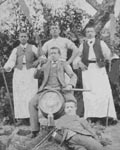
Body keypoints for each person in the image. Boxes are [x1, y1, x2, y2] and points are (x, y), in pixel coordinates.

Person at [29, 46, 77, 138]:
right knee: (32, 103)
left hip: (60, 89)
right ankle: (34, 130)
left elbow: (73, 76)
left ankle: (73, 127)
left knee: (72, 100)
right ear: (48, 55)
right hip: (46, 89)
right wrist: (39, 67)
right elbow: (36, 76)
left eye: (55, 53)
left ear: (59, 55)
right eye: (51, 53)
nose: (53, 55)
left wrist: (70, 85)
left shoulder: (64, 64)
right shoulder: (45, 64)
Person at [73, 25, 117, 121]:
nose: (89, 33)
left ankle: (106, 116)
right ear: (85, 33)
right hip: (87, 70)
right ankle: (91, 116)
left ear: (95, 33)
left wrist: (109, 57)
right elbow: (77, 57)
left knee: (103, 91)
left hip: (99, 69)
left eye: (91, 31)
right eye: (87, 31)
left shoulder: (101, 43)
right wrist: (79, 63)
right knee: (89, 92)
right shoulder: (82, 45)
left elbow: (108, 55)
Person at [4, 31, 39, 125]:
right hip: (19, 72)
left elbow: (41, 56)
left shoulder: (32, 47)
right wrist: (7, 67)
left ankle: (32, 118)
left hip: (30, 71)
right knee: (19, 94)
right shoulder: (16, 49)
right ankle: (21, 118)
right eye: (21, 36)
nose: (23, 38)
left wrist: (38, 61)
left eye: (25, 36)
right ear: (19, 38)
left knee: (31, 93)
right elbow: (11, 60)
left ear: (27, 38)